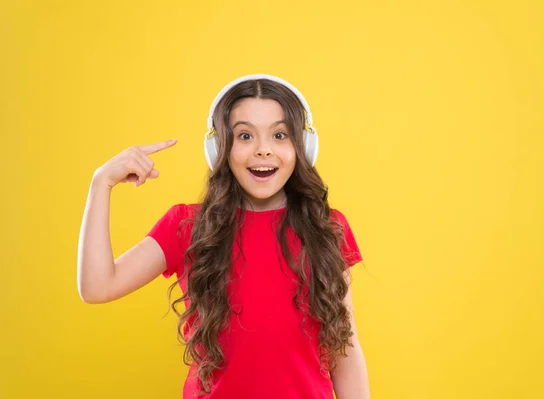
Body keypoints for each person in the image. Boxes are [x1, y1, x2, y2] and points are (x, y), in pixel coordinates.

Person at [77, 74, 370, 398]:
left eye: (279, 134)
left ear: (303, 144)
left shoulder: (327, 227)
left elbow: (346, 349)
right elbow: (96, 286)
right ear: (220, 147)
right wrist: (100, 183)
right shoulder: (186, 226)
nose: (263, 150)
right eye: (245, 135)